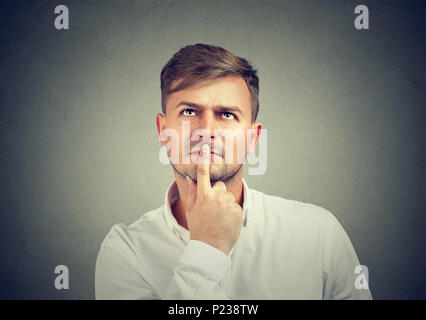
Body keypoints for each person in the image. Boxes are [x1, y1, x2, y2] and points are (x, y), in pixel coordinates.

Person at [95, 43, 372, 300]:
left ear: (252, 138)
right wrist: (207, 250)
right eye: (189, 112)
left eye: (227, 114)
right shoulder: (125, 250)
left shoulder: (318, 235)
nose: (207, 130)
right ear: (162, 130)